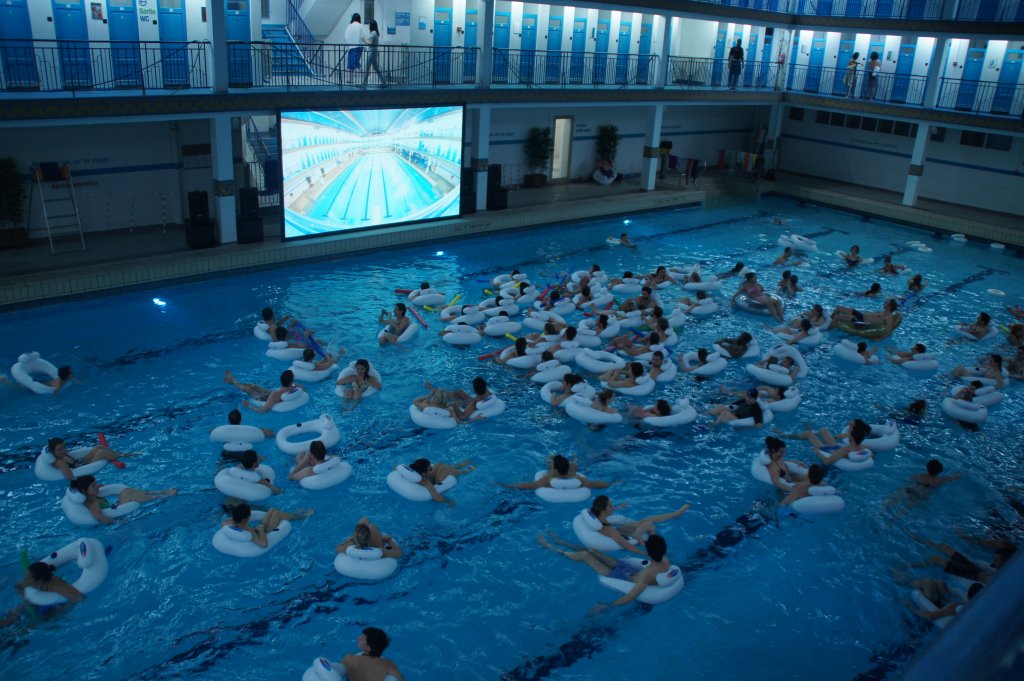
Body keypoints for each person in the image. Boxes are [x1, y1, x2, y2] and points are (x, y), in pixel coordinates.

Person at [537, 532, 674, 611]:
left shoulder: (649, 574)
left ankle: (551, 547)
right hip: (629, 569)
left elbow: (629, 597)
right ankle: (561, 542)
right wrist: (642, 540)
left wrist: (606, 606)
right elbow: (654, 549)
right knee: (592, 551)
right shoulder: (665, 561)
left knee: (585, 556)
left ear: (649, 552)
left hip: (621, 577)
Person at [69, 475, 176, 525]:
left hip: (115, 507)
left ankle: (163, 492)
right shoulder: (92, 503)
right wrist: (119, 522)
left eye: (95, 483)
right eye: (94, 486)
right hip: (120, 515)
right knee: (127, 493)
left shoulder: (92, 494)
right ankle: (164, 495)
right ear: (84, 491)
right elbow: (101, 518)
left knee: (128, 491)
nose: (97, 486)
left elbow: (104, 486)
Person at [500, 453, 617, 491]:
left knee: (548, 458)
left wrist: (505, 485)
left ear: (555, 469)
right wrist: (614, 483)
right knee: (575, 460)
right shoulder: (575, 475)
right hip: (570, 467)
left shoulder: (548, 479)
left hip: (557, 469)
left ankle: (552, 457)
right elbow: (594, 484)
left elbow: (527, 485)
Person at [221, 502, 312, 549]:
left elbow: (223, 523)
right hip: (265, 533)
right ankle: (302, 516)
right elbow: (263, 544)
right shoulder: (248, 531)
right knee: (277, 514)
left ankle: (298, 515)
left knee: (273, 510)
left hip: (258, 528)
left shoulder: (231, 522)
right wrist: (261, 530)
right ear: (244, 519)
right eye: (249, 516)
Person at [43, 437, 136, 480]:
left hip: (81, 463)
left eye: (64, 447)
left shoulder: (62, 454)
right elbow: (69, 477)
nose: (63, 450)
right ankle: (124, 455)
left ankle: (116, 454)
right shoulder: (60, 462)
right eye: (59, 449)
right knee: (101, 452)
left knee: (98, 447)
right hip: (83, 468)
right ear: (53, 452)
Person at [339, 627, 406, 681]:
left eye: (362, 638)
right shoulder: (389, 665)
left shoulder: (350, 659)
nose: (358, 638)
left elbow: (336, 672)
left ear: (369, 648)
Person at [225, 369, 306, 413]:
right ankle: (232, 381)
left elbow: (263, 410)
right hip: (269, 393)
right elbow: (303, 389)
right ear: (291, 381)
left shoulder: (275, 395)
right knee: (253, 385)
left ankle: (233, 381)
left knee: (248, 388)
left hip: (262, 397)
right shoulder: (295, 386)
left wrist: (249, 406)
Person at [404, 458, 475, 505]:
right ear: (423, 473)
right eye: (430, 468)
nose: (431, 468)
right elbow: (437, 498)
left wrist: (449, 501)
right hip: (440, 466)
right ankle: (468, 461)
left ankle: (473, 467)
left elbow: (436, 498)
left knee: (461, 472)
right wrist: (448, 501)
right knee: (453, 467)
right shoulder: (421, 478)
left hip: (443, 471)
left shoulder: (422, 478)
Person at [828, 298, 900, 338]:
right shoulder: (882, 311)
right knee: (838, 308)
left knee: (838, 317)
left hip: (861, 322)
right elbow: (869, 313)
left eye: (886, 303)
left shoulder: (888, 317)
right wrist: (859, 311)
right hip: (861, 315)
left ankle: (827, 330)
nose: (884, 303)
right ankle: (829, 320)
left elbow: (889, 331)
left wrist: (878, 339)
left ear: (889, 306)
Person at [335, 518, 403, 559]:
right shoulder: (381, 551)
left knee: (364, 520)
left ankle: (361, 534)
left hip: (359, 543)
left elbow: (337, 548)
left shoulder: (348, 547)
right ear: (369, 538)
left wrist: (349, 540)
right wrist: (389, 540)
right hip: (375, 546)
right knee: (373, 527)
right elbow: (400, 553)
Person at [361, 20, 386, 88]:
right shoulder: (375, 33)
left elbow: (370, 42)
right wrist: (367, 39)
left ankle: (364, 83)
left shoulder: (373, 33)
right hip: (374, 52)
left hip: (371, 53)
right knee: (376, 68)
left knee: (367, 67)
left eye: (369, 25)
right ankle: (383, 82)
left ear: (371, 25)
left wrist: (364, 40)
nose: (368, 26)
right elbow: (371, 41)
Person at [345, 13, 365, 79]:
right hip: (359, 47)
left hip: (351, 47)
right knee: (356, 62)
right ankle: (363, 75)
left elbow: (346, 36)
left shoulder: (349, 26)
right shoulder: (361, 26)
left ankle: (351, 79)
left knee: (351, 63)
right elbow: (363, 37)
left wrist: (349, 43)